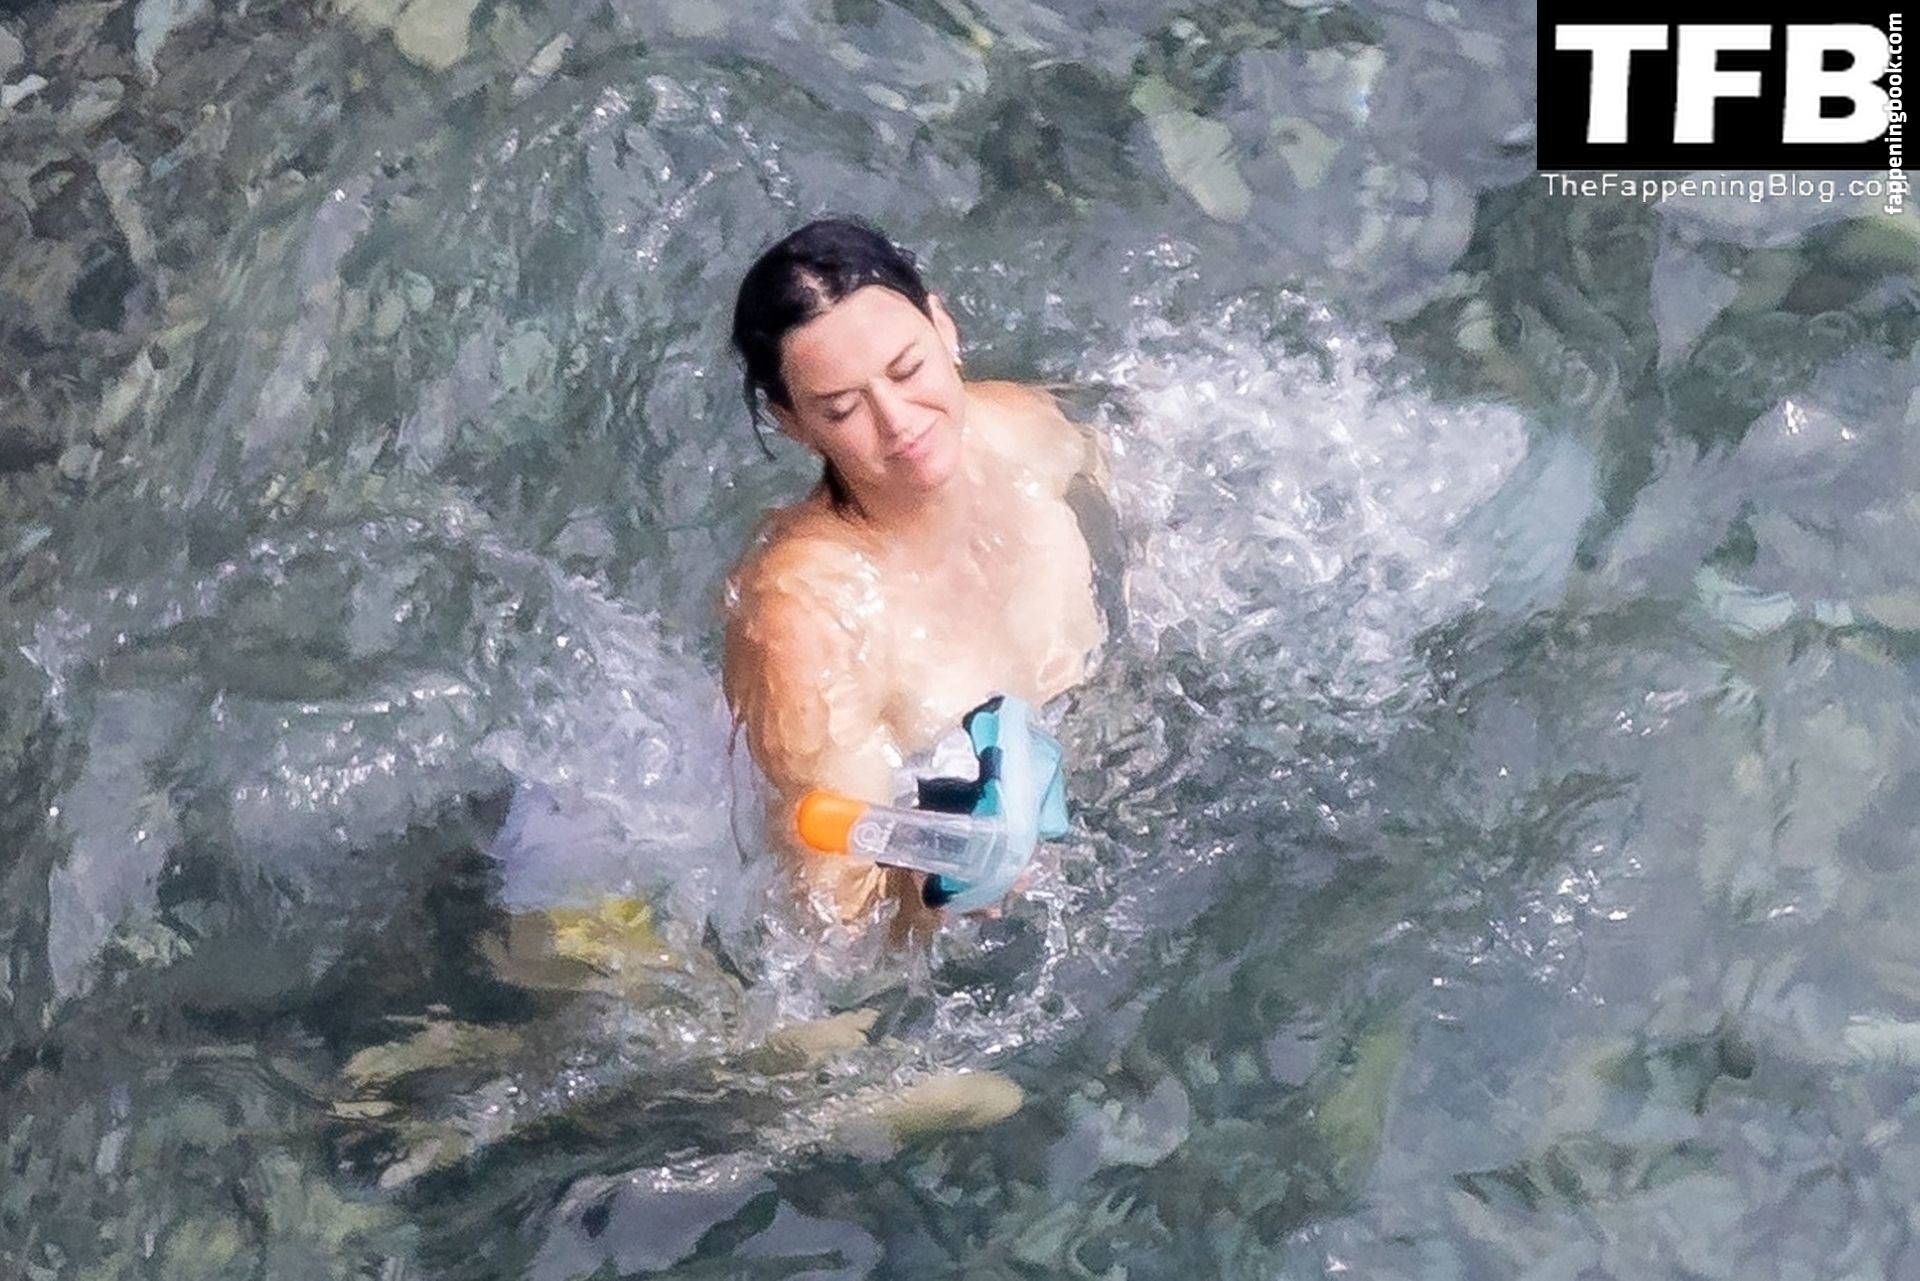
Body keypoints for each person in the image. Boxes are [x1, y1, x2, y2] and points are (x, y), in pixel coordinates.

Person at [721, 216, 1108, 933]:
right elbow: (823, 930)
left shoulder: (1021, 429)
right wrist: (939, 885)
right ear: (793, 423)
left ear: (943, 326)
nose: (899, 422)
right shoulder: (809, 620)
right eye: (843, 408)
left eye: (908, 370)